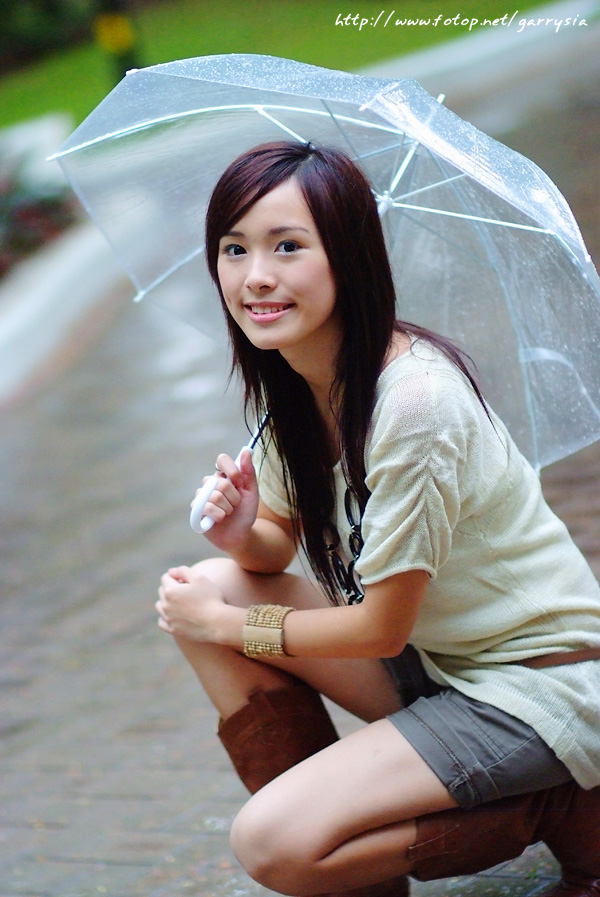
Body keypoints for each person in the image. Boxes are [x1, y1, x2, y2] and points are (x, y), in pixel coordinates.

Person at [155, 141, 600, 897]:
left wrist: (229, 626)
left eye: (287, 246)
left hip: (536, 686)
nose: (255, 275)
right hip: (440, 662)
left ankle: (556, 803)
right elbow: (273, 552)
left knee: (270, 842)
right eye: (234, 248)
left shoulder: (414, 403)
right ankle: (354, 878)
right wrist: (239, 534)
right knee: (213, 582)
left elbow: (379, 629)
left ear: (348, 256)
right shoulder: (295, 384)